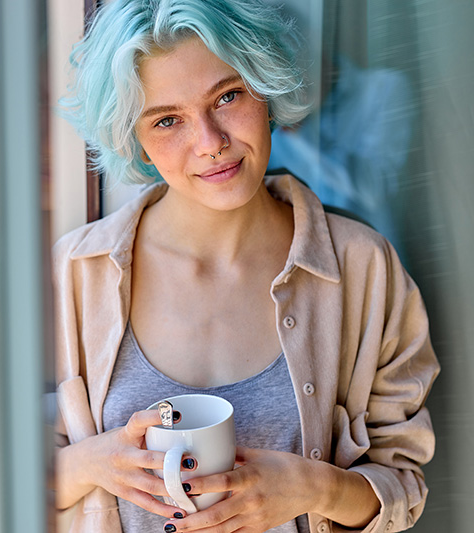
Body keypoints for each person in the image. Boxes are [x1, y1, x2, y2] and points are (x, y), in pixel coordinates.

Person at [53, 1, 439, 532]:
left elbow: (404, 485)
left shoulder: (363, 268)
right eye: (168, 120)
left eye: (228, 96)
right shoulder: (72, 274)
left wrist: (311, 487)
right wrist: (88, 463)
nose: (210, 143)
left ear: (264, 84)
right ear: (133, 137)